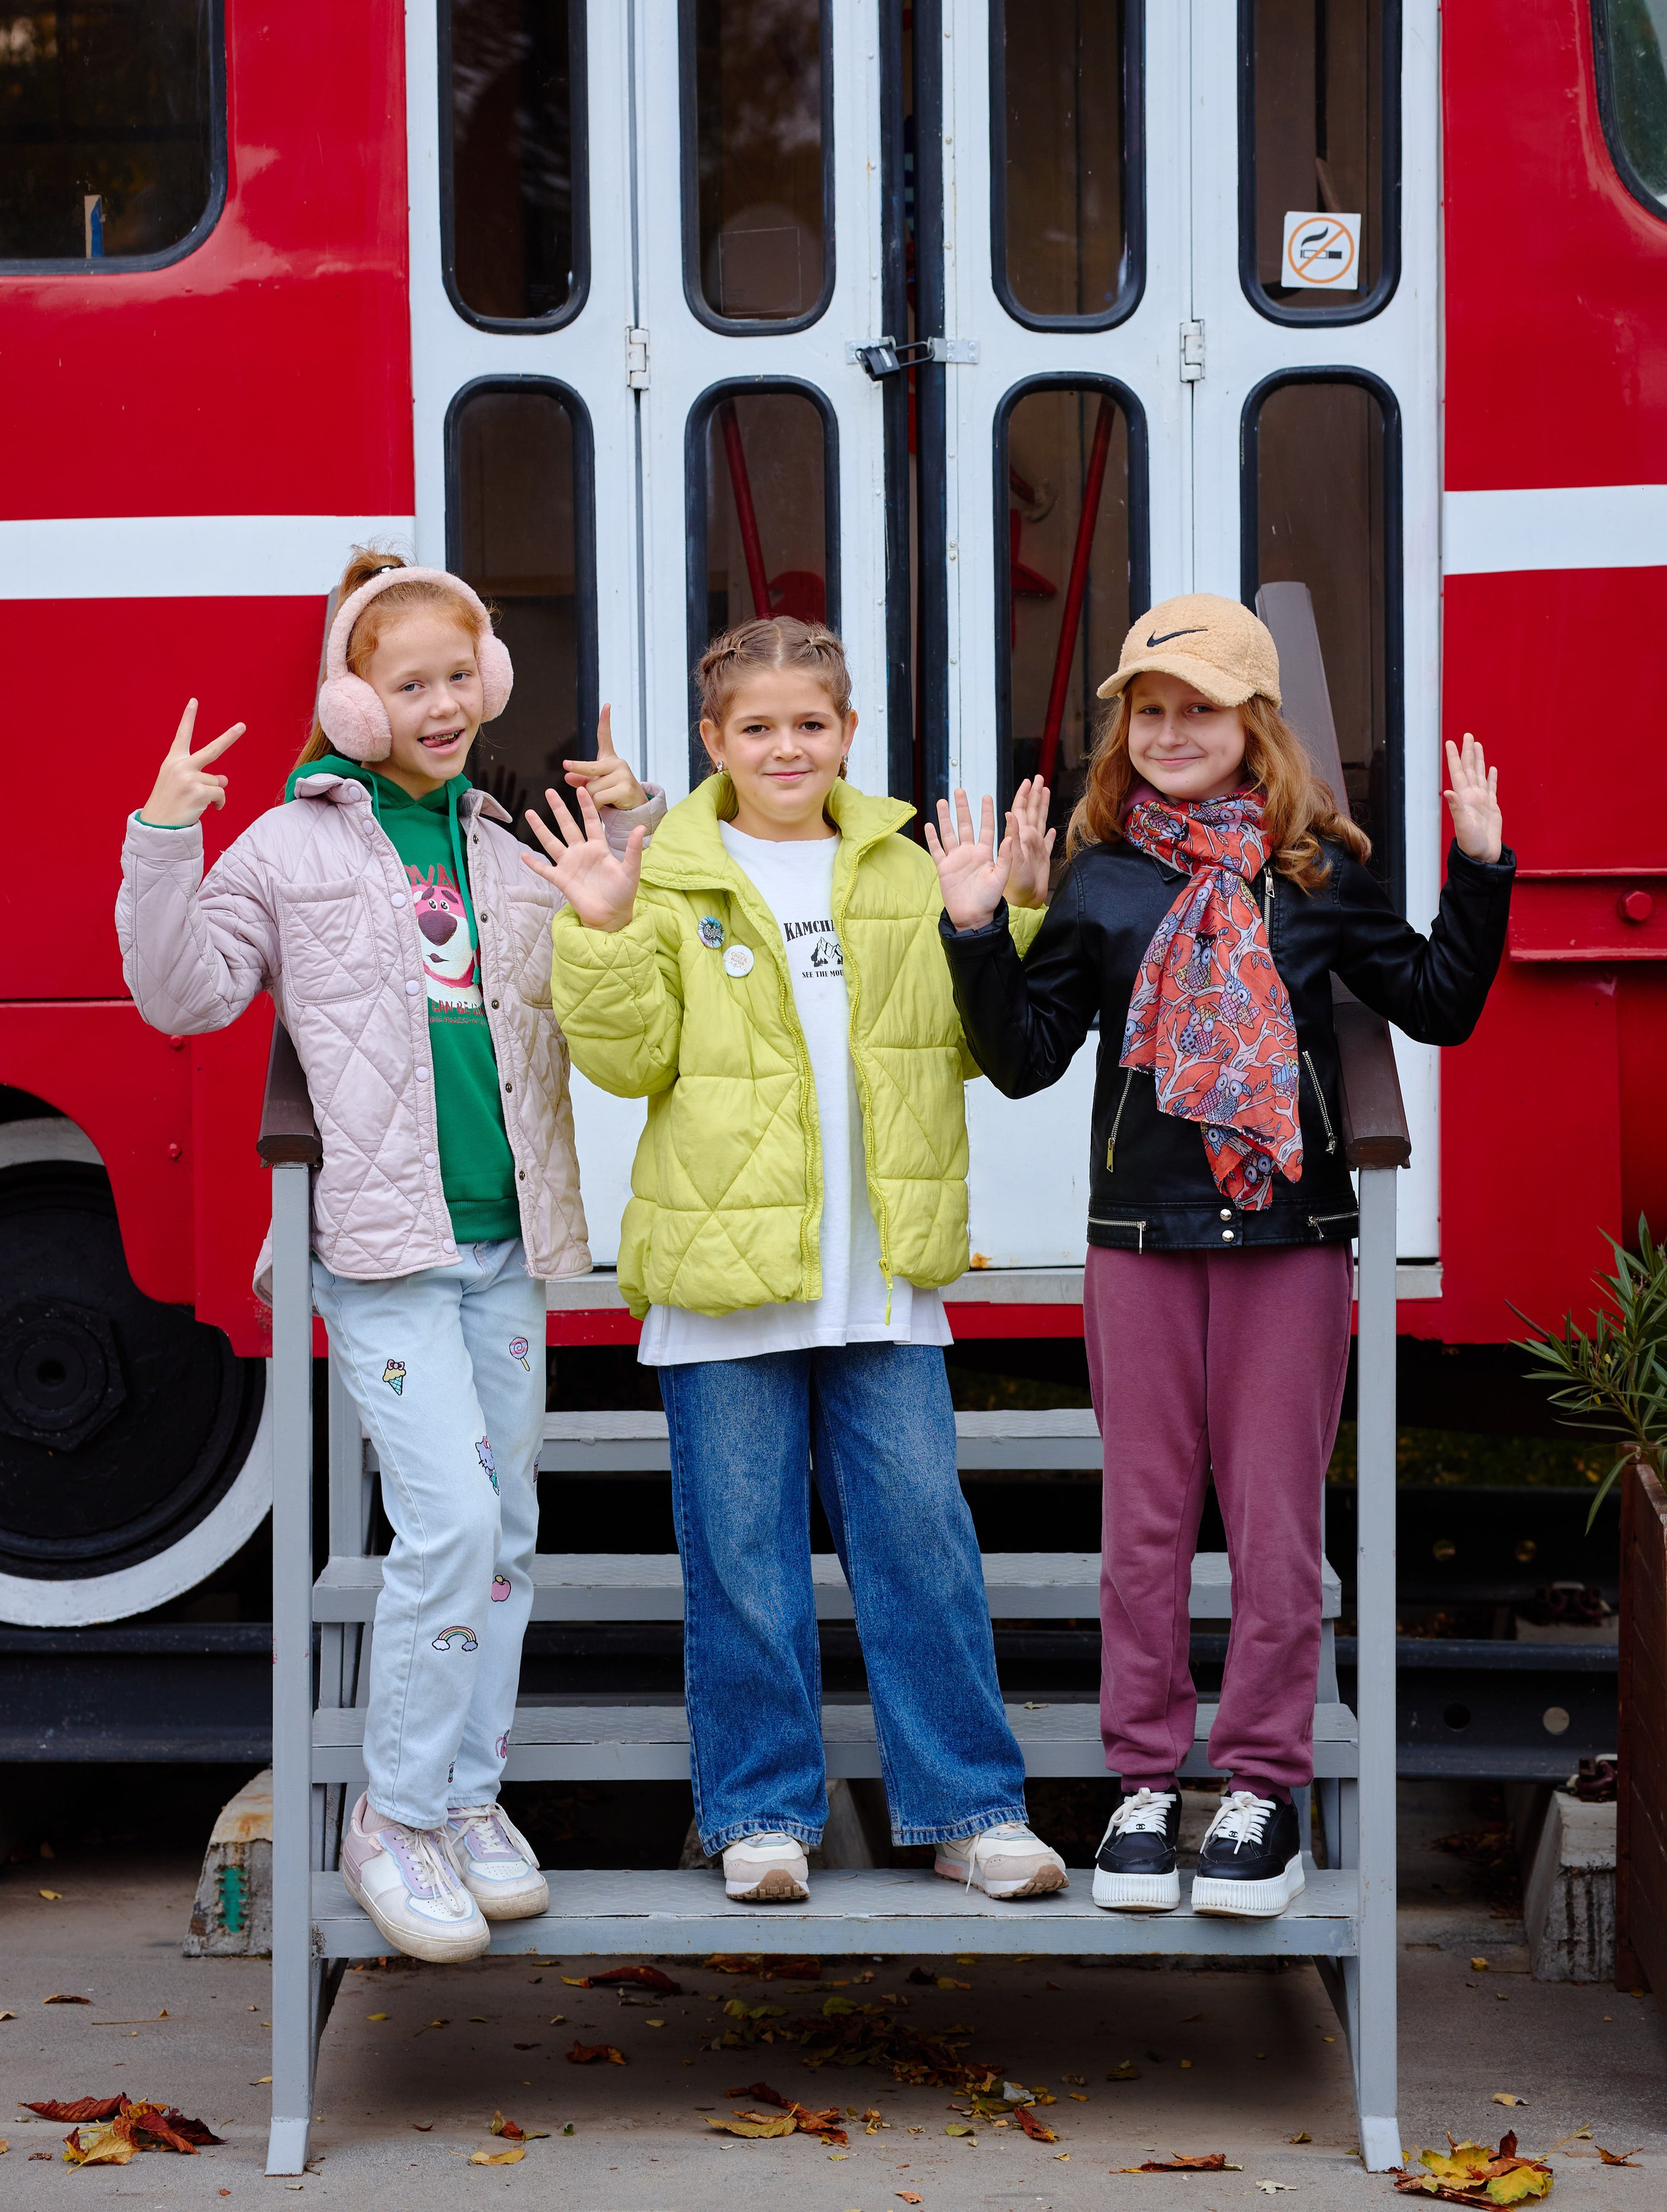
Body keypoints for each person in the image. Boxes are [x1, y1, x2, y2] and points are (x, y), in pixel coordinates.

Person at [928, 593, 1513, 1919]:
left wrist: (1477, 872)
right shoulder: (1100, 882)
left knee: (1268, 1526)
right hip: (1136, 1241)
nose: (1171, 731)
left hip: (1286, 1242)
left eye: (1198, 709)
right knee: (1140, 1532)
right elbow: (1022, 1059)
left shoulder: (1311, 878)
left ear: (1254, 728)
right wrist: (976, 930)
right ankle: (1143, 1781)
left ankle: (1262, 1789)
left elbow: (1434, 1001)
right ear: (1120, 733)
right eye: (1148, 710)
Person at [116, 549, 662, 1961]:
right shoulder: (291, 848)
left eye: (455, 679)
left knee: (511, 1535)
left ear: (490, 686)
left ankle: (470, 1802)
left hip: (504, 1245)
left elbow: (604, 994)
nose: (438, 704)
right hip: (381, 1253)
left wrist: (633, 858)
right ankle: (392, 1819)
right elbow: (185, 995)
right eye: (404, 683)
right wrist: (163, 837)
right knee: (454, 1527)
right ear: (352, 702)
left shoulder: (504, 842)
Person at [534, 614, 1068, 1903]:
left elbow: (975, 1044)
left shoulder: (898, 864)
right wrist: (601, 931)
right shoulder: (667, 869)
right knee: (742, 1563)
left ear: (845, 735)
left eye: (811, 725)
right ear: (715, 741)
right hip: (722, 1284)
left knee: (921, 1550)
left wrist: (1015, 916)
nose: (788, 747)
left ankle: (968, 1808)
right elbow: (628, 1062)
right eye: (759, 728)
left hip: (880, 1279)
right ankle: (758, 1815)